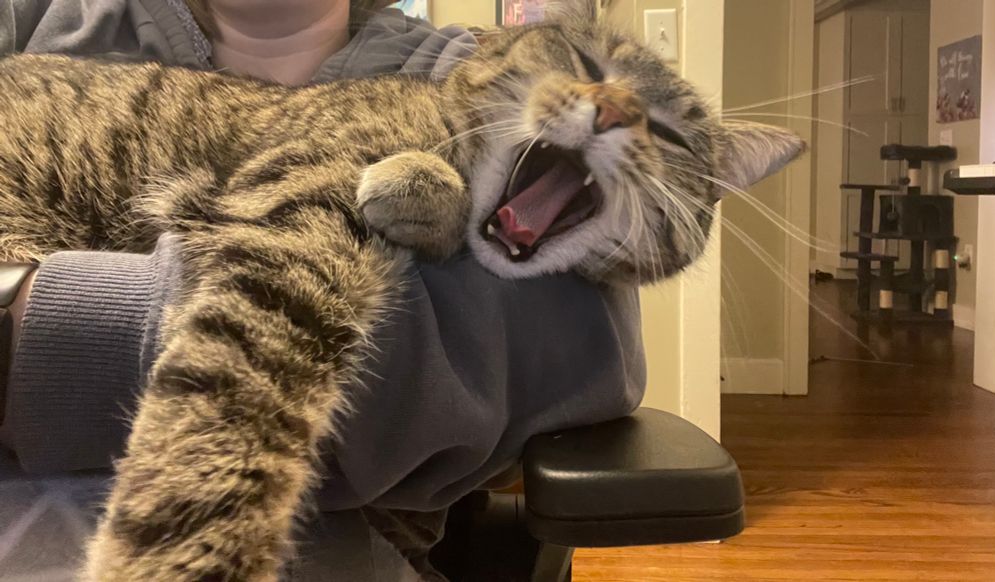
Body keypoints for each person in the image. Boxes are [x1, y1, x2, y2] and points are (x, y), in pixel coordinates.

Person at [0, 0, 645, 579]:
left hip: (320, 536)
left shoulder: (459, 79)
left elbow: (575, 353)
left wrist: (39, 324)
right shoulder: (32, 16)